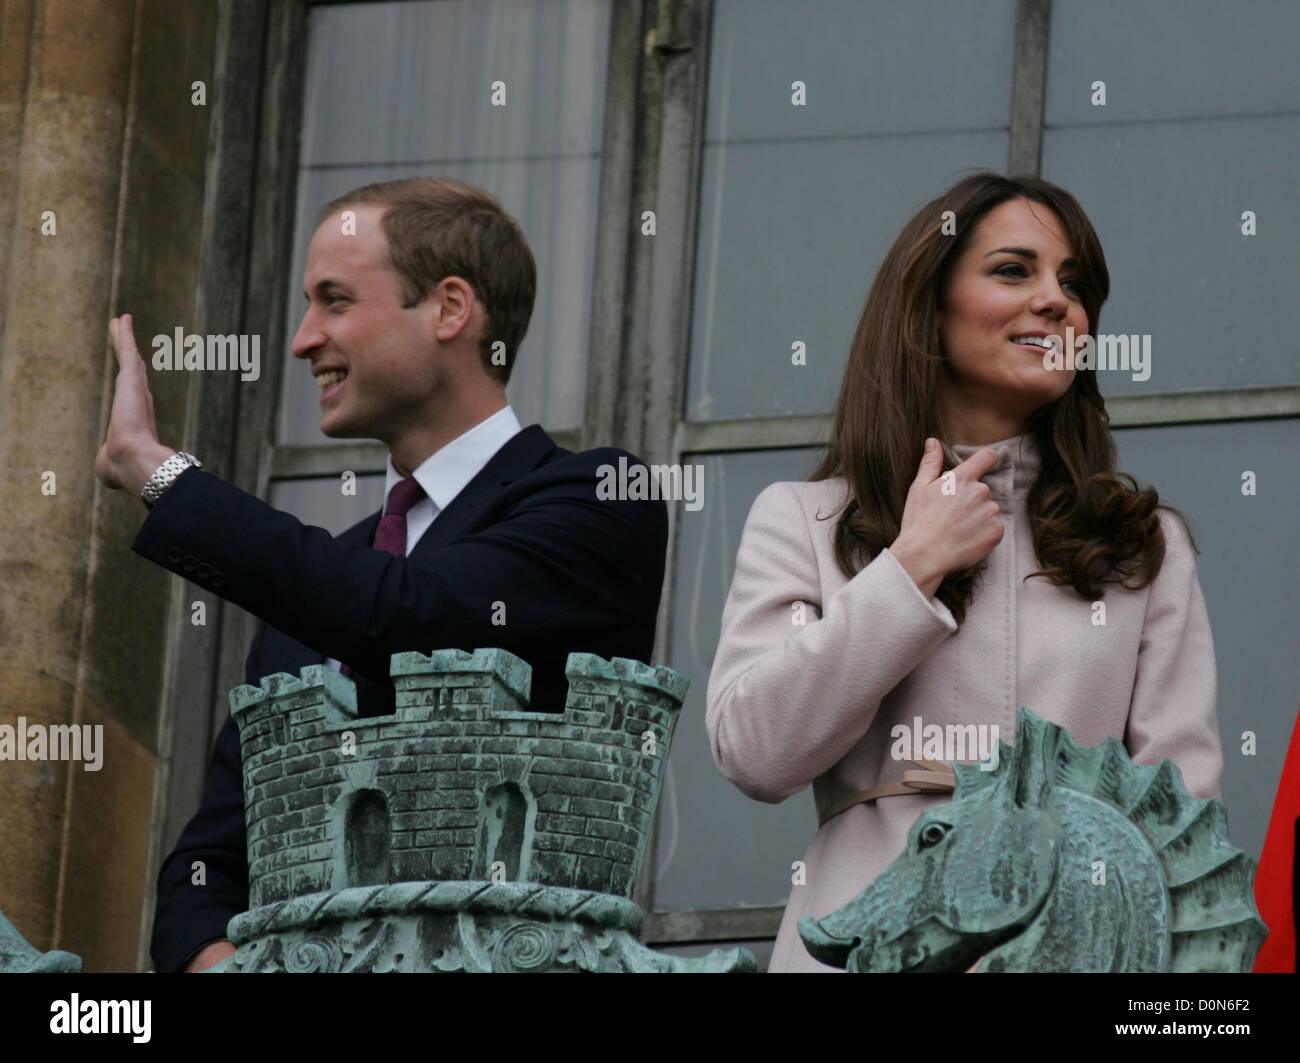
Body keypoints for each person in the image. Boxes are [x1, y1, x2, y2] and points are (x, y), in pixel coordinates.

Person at [94, 178, 668, 972]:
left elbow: (407, 616)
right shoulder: (318, 590)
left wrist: (162, 477)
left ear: (449, 309)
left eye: (334, 301)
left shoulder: (598, 497)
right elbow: (212, 862)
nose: (302, 340)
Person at [706, 173, 1223, 973]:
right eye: (1014, 270)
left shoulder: (1143, 547)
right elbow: (755, 751)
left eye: (1074, 283)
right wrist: (909, 571)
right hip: (856, 946)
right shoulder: (802, 520)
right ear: (929, 309)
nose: (1057, 301)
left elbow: (1178, 817)